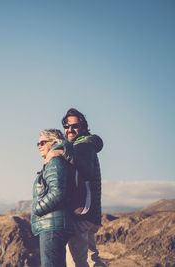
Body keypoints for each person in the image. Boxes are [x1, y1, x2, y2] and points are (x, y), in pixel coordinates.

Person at [46, 108, 106, 267]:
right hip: (89, 213)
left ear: (84, 127)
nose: (69, 129)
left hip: (82, 213)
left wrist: (61, 152)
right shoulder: (85, 144)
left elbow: (85, 167)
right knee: (93, 261)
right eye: (66, 126)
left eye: (75, 126)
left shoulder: (83, 145)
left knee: (76, 263)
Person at [31, 129, 75, 267]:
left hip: (52, 227)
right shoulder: (55, 160)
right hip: (53, 224)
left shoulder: (55, 161)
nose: (39, 146)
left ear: (54, 142)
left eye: (42, 142)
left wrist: (37, 209)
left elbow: (57, 192)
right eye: (37, 143)